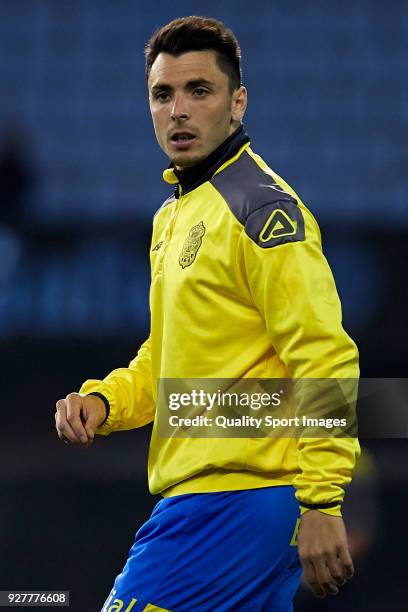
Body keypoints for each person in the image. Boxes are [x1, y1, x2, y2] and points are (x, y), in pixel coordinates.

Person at [55, 16, 360, 612]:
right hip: (219, 504)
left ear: (238, 101)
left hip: (232, 502)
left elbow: (325, 353)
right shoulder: (175, 216)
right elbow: (166, 359)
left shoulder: (261, 211)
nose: (178, 111)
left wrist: (324, 502)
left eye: (200, 90)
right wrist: (107, 403)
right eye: (162, 94)